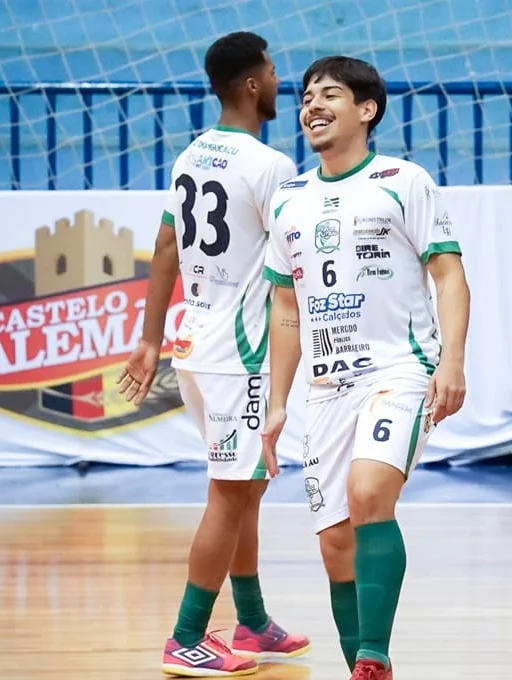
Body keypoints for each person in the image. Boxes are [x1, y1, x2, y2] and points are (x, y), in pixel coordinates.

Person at [261, 56, 470, 680]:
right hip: (327, 388)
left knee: (369, 493)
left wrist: (452, 361)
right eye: (305, 97)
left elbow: (449, 275)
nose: (311, 106)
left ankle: (373, 654)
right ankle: (364, 665)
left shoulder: (403, 180)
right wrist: (277, 401)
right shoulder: (288, 199)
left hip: (399, 371)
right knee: (335, 544)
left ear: (366, 110)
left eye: (329, 94)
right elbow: (286, 306)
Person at [117, 31, 310, 677]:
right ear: (252, 84)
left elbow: (165, 249)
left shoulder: (190, 155)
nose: (280, 81)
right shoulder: (270, 165)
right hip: (239, 354)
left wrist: (149, 340)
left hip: (196, 342)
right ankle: (186, 637)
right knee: (230, 496)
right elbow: (293, 265)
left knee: (244, 489)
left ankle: (251, 622)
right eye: (273, 71)